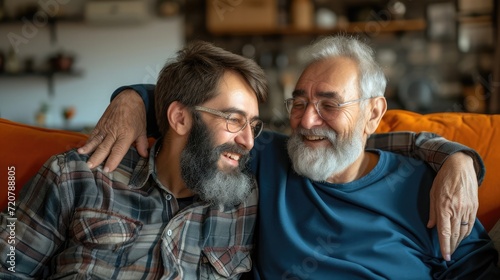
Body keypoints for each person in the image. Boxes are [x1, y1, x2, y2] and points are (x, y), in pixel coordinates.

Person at [80, 36, 498, 278]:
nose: (307, 120)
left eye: (329, 104)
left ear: (374, 113)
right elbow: (196, 111)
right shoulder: (269, 157)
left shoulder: (427, 187)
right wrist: (133, 98)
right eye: (299, 102)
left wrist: (455, 158)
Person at [0, 41, 268, 279]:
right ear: (181, 118)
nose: (249, 141)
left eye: (253, 125)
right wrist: (133, 98)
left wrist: (134, 97)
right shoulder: (74, 176)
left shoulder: (246, 200)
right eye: (234, 120)